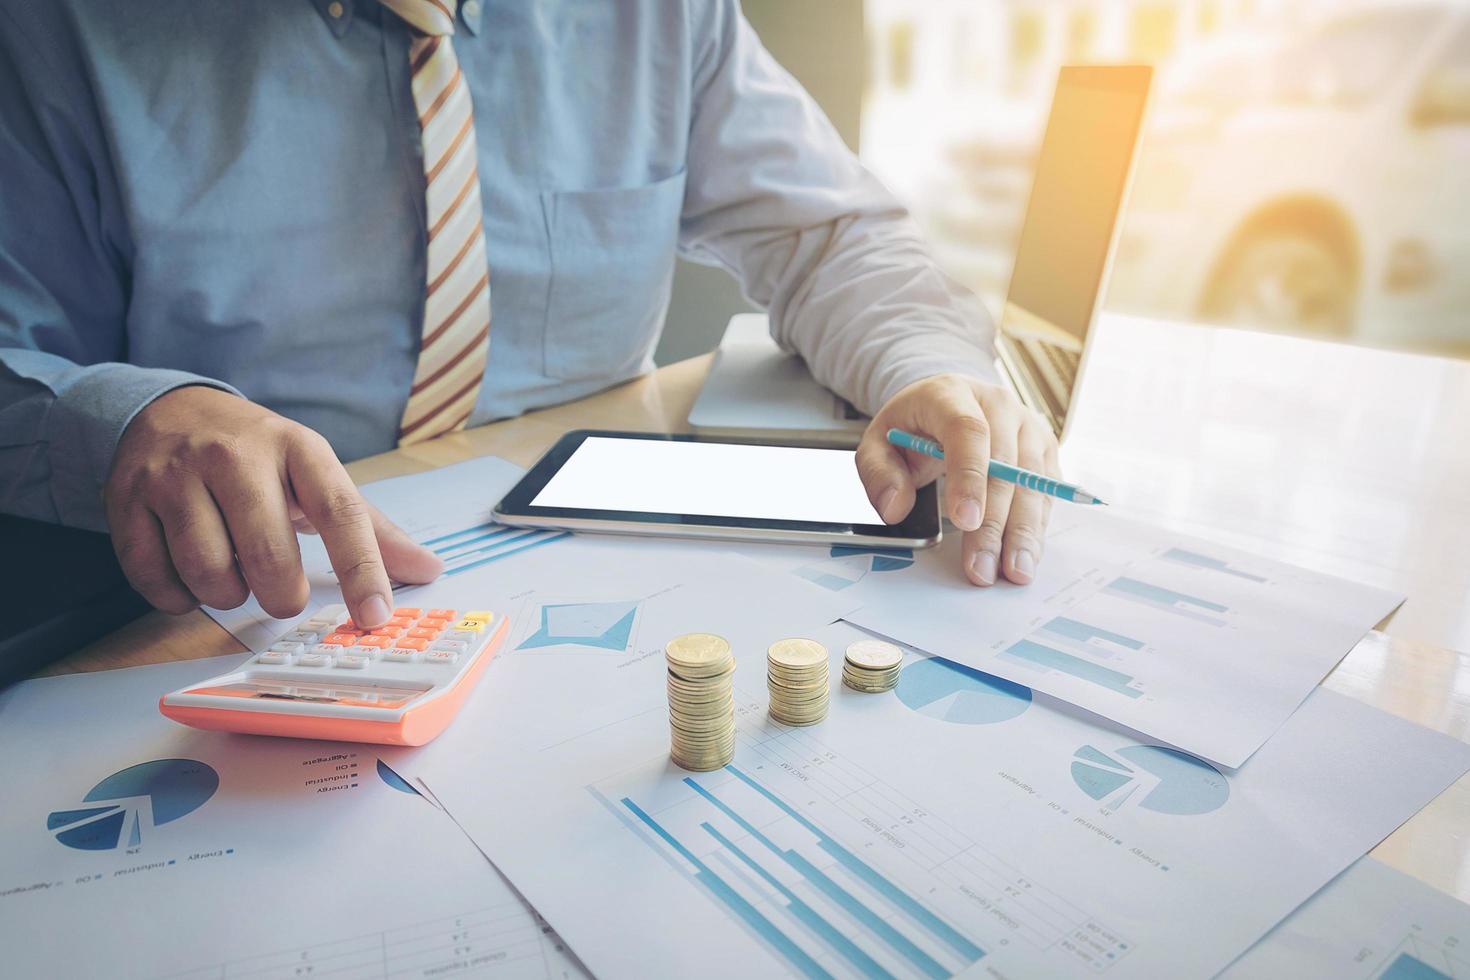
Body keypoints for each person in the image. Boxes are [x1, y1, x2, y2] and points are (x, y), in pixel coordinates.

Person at [0, 0, 1058, 632]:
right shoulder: (54, 34)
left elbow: (832, 238)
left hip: (607, 563)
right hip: (259, 600)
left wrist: (924, 366)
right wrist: (135, 421)